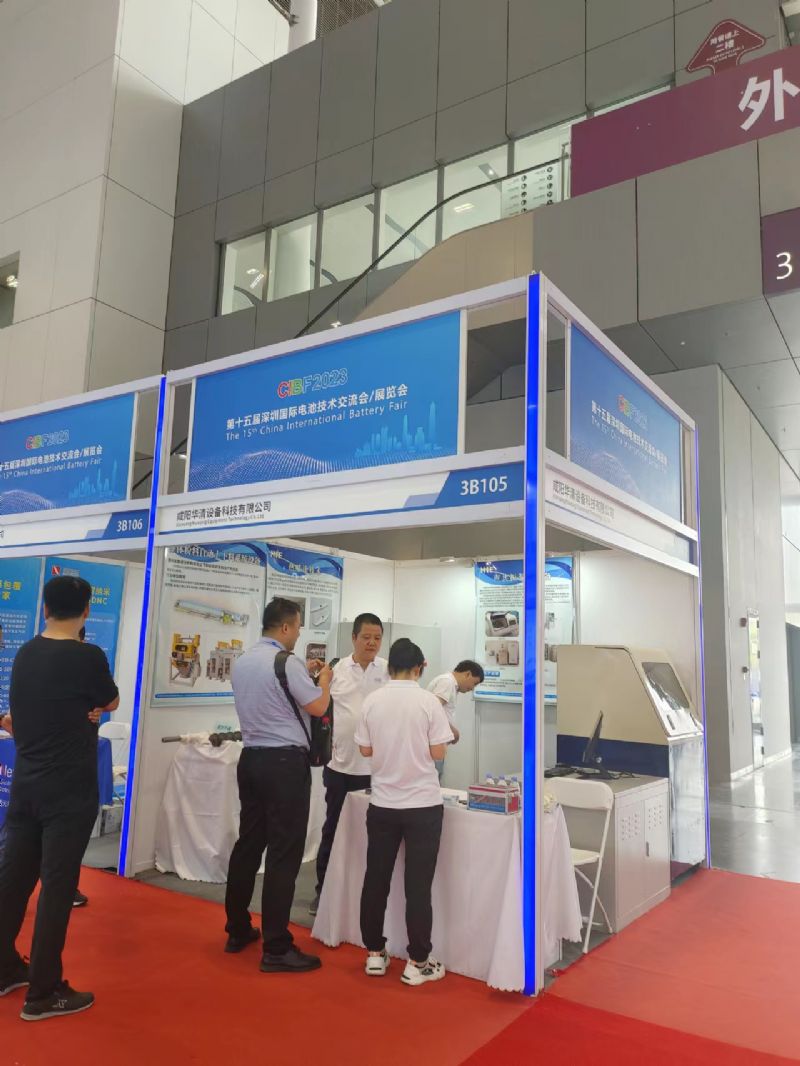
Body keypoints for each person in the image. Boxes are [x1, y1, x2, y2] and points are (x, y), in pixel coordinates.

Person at [0, 576, 119, 1021]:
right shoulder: (88, 656)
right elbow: (111, 700)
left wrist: (83, 710)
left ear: (45, 609)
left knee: (13, 879)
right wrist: (91, 709)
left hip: (27, 785)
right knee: (57, 886)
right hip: (68, 791)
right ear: (86, 611)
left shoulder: (26, 653)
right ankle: (44, 991)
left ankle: (4, 967)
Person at [225, 597, 332, 974]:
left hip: (251, 758)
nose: (299, 633)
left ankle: (237, 928)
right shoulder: (287, 662)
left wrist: (305, 675)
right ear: (285, 627)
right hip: (284, 764)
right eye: (298, 627)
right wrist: (325, 682)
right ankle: (276, 946)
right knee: (284, 852)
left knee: (249, 844)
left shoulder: (244, 661)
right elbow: (318, 707)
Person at [355, 638, 453, 986]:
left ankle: (374, 953)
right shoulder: (428, 702)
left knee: (376, 879)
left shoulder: (372, 701)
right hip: (422, 805)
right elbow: (439, 753)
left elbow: (365, 749)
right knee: (418, 885)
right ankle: (418, 961)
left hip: (383, 803)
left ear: (389, 666)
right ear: (420, 667)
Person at [311, 612, 388, 916]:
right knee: (333, 830)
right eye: (366, 637)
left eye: (377, 638)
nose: (372, 643)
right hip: (341, 767)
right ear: (353, 638)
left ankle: (366, 897)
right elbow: (319, 707)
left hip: (377, 770)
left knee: (375, 837)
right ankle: (323, 892)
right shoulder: (336, 669)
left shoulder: (388, 670)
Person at [427, 661, 485, 780]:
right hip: (433, 744)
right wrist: (452, 730)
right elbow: (432, 710)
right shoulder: (447, 682)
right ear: (467, 674)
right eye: (474, 683)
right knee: (432, 780)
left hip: (436, 743)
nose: (472, 688)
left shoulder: (449, 683)